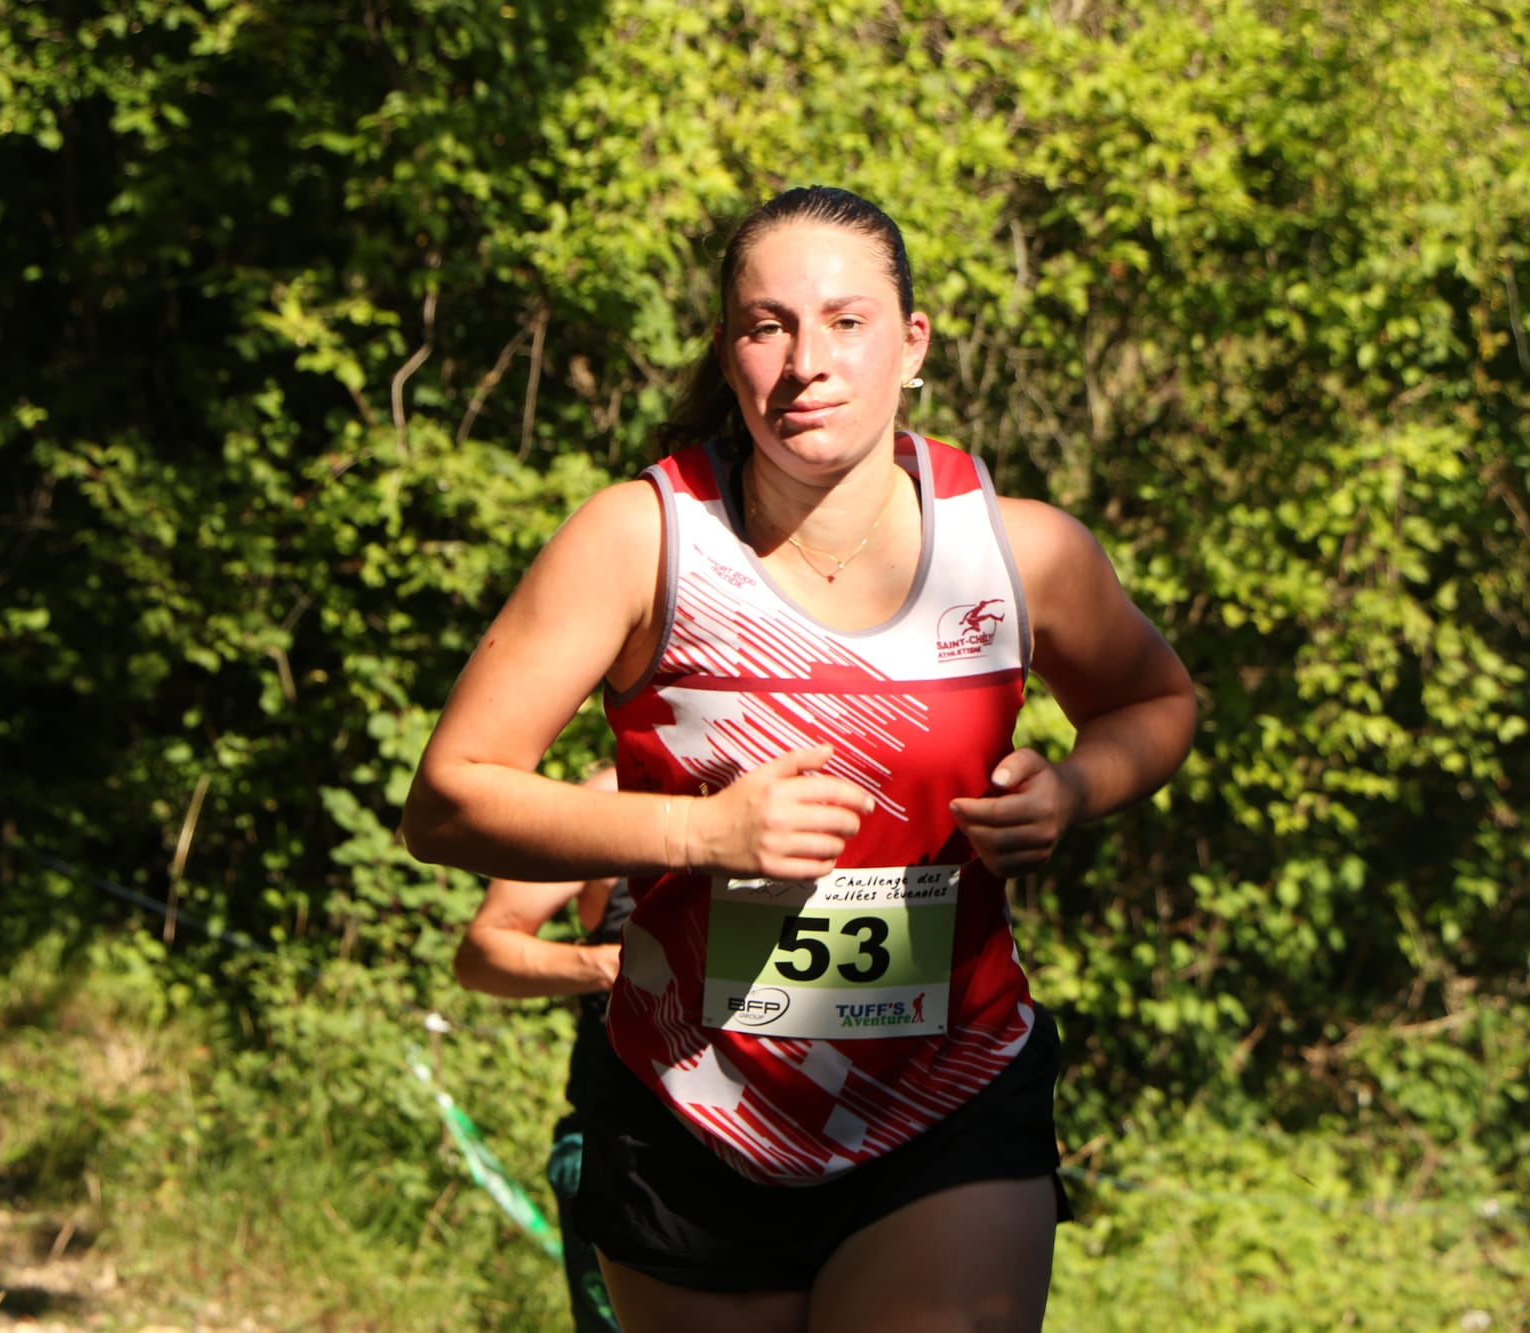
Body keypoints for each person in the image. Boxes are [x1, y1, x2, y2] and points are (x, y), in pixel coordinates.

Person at [402, 184, 1196, 1332]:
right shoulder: (639, 538)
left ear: (911, 344)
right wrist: (697, 833)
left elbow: (1154, 700)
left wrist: (1074, 787)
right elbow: (446, 803)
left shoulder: (1016, 550)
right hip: (690, 1111)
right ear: (728, 355)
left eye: (844, 321)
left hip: (948, 1102)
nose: (803, 362)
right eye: (766, 326)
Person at [452, 766, 629, 1333]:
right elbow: (483, 953)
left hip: (826, 1161)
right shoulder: (613, 796)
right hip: (620, 1153)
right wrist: (604, 965)